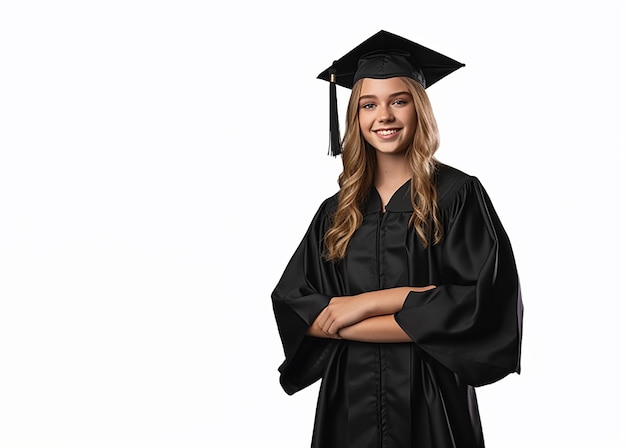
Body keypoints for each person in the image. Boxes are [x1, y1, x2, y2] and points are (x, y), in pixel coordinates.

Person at [271, 30, 523, 448]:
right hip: (348, 399)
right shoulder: (336, 211)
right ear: (355, 116)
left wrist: (364, 304)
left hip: (432, 397)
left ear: (419, 109)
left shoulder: (458, 195)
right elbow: (298, 307)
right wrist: (418, 303)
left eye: (398, 101)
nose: (383, 115)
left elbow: (481, 304)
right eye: (369, 104)